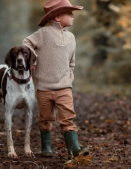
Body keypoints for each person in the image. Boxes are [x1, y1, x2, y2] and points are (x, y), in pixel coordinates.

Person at [22, 0, 89, 160]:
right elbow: (26, 42)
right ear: (58, 17)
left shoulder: (71, 37)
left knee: (68, 117)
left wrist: (70, 75)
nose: (73, 16)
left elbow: (72, 61)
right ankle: (46, 147)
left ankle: (75, 149)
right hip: (44, 88)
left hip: (64, 87)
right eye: (69, 13)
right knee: (45, 118)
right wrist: (33, 60)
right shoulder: (43, 33)